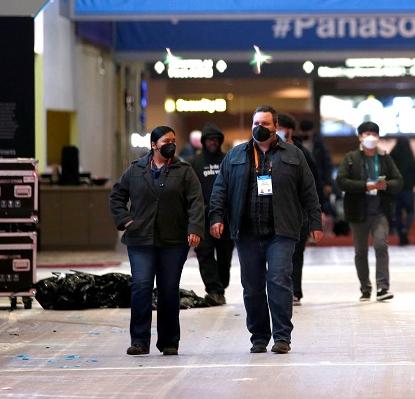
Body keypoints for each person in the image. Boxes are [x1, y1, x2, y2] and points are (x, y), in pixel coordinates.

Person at [208, 105, 323, 354]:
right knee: (252, 287)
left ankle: (282, 336)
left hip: (281, 231)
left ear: (276, 127)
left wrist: (315, 222)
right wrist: (216, 217)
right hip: (247, 232)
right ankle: (259, 337)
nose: (260, 127)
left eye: (265, 124)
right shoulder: (235, 155)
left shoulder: (293, 154)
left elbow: (309, 191)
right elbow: (220, 189)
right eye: (256, 123)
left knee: (279, 280)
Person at [109, 125, 204, 356]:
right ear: (153, 145)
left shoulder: (184, 170)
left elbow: (196, 201)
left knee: (168, 290)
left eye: (173, 140)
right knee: (141, 287)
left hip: (174, 241)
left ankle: (169, 342)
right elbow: (117, 196)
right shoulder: (136, 170)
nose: (170, 144)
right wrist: (126, 221)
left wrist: (194, 228)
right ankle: (139, 340)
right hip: (140, 240)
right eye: (165, 141)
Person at [338, 122, 403, 301]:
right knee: (361, 252)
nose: (371, 137)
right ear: (360, 137)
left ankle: (383, 287)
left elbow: (399, 181)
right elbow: (341, 181)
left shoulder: (384, 158)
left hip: (380, 211)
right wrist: (363, 186)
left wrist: (386, 185)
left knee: (381, 245)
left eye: (374, 134)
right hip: (358, 212)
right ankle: (365, 288)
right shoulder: (351, 158)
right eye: (367, 133)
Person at [276, 112, 320, 306]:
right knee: (276, 253)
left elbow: (314, 184)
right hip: (274, 211)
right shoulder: (266, 152)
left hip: (299, 212)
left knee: (296, 252)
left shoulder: (302, 153)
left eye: (280, 128)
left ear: (289, 130)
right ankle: (278, 289)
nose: (276, 132)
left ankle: (295, 291)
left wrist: (317, 213)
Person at [190, 122, 233, 306]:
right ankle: (214, 290)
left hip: (226, 217)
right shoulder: (195, 163)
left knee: (225, 254)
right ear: (203, 141)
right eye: (209, 139)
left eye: (216, 139)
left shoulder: (228, 160)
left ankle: (221, 285)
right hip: (202, 217)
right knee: (204, 253)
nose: (212, 143)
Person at [389, 136, 415, 245]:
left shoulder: (392, 155)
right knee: (411, 211)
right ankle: (405, 229)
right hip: (408, 188)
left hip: (396, 189)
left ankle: (400, 231)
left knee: (397, 213)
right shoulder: (409, 156)